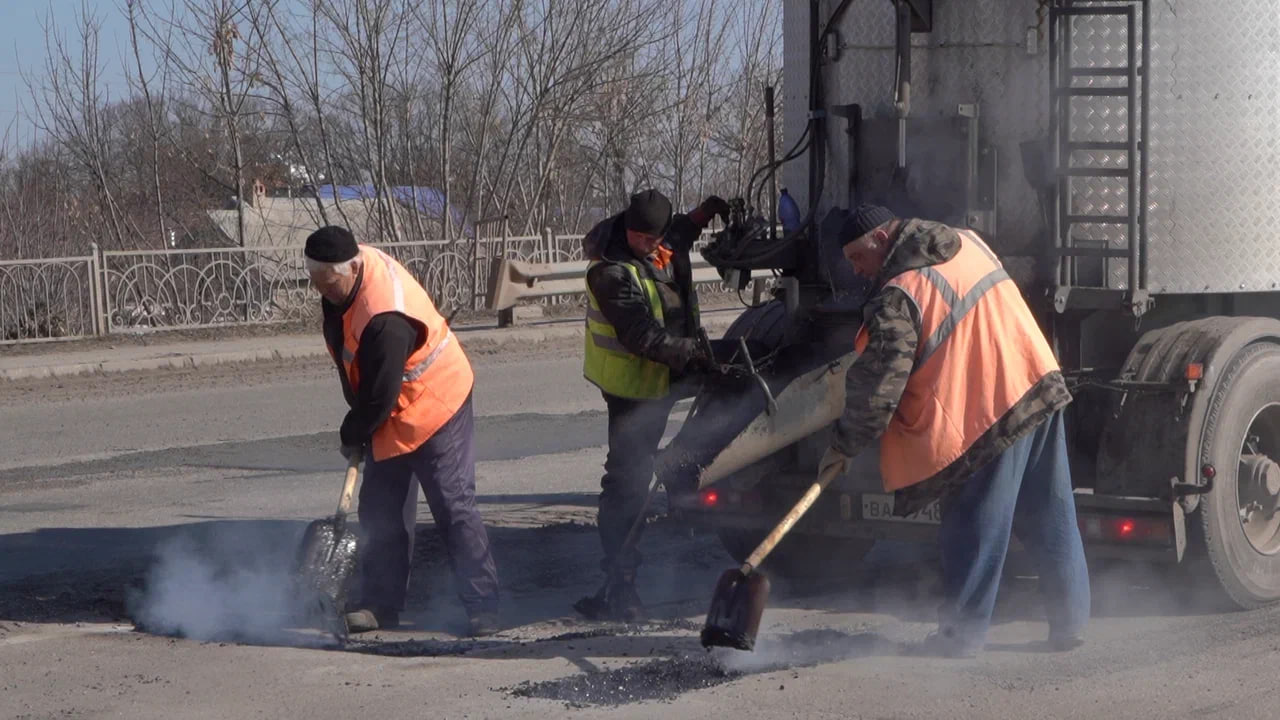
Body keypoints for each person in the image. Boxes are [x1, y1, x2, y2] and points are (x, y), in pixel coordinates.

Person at [819, 204, 1090, 658]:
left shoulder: (898, 294)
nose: (854, 268)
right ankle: (1070, 622)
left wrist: (845, 444)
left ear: (882, 240)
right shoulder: (967, 241)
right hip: (1036, 380)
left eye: (856, 255)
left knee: (973, 523)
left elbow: (881, 386)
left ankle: (961, 636)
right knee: (1050, 512)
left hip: (987, 411)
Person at [305, 225, 500, 637]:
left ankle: (484, 606)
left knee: (453, 505)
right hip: (391, 406)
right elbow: (365, 378)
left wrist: (354, 431)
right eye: (315, 281)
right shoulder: (342, 280)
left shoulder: (384, 315)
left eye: (329, 283)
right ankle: (380, 605)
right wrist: (362, 421)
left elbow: (379, 392)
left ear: (352, 268)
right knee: (381, 509)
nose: (323, 291)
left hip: (435, 402)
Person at [577, 188, 731, 620]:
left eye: (654, 238)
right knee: (628, 482)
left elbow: (678, 233)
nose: (649, 246)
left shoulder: (661, 240)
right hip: (633, 389)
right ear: (627, 227)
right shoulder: (610, 272)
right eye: (640, 238)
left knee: (719, 421)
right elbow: (641, 336)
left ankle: (682, 486)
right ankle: (620, 581)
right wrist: (692, 353)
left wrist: (704, 213)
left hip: (670, 375)